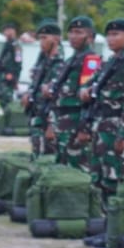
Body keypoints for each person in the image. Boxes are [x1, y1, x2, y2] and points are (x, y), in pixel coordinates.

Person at [80, 18, 124, 202]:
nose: (110, 39)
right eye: (108, 35)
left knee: (114, 177)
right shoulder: (110, 63)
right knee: (97, 174)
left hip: (115, 128)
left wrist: (122, 136)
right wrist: (85, 90)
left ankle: (114, 224)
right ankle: (102, 221)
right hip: (101, 125)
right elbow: (91, 84)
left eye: (116, 34)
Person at [45, 15, 98, 169]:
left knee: (77, 167)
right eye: (71, 32)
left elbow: (88, 98)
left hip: (76, 121)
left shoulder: (91, 61)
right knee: (62, 164)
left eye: (78, 32)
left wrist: (84, 128)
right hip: (62, 120)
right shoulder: (70, 60)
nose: (73, 36)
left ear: (89, 37)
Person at [23, 20, 64, 157]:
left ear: (56, 38)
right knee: (36, 154)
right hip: (37, 116)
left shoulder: (60, 64)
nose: (41, 42)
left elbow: (57, 97)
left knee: (47, 157)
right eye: (40, 38)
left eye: (45, 38)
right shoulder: (43, 62)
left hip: (48, 119)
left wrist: (52, 125)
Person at [0, 22, 23, 106]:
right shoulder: (6, 44)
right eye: (6, 30)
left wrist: (15, 78)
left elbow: (18, 63)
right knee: (1, 98)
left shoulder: (16, 46)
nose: (8, 32)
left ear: (14, 32)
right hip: (2, 75)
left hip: (10, 76)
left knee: (7, 99)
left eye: (10, 30)